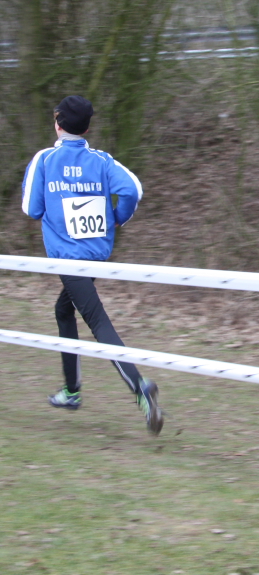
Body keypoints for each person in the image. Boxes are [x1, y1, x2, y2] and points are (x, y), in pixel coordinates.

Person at [21, 95, 163, 435]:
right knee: (63, 311)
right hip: (96, 253)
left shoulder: (45, 159)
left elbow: (31, 209)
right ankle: (71, 391)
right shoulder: (101, 160)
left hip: (68, 256)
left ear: (57, 123)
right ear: (87, 128)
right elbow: (132, 190)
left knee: (97, 320)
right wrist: (117, 218)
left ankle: (139, 387)